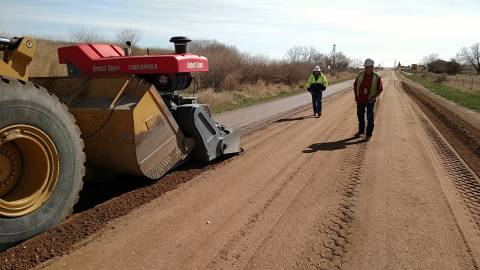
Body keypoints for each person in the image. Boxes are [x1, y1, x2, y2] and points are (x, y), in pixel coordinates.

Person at [353, 58, 383, 140]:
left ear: (372, 67)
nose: (366, 69)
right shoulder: (360, 75)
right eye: (365, 67)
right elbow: (355, 85)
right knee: (360, 116)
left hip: (370, 100)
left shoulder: (377, 77)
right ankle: (361, 131)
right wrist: (356, 96)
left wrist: (373, 98)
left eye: (368, 67)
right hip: (360, 100)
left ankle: (368, 134)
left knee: (370, 117)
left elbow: (380, 89)